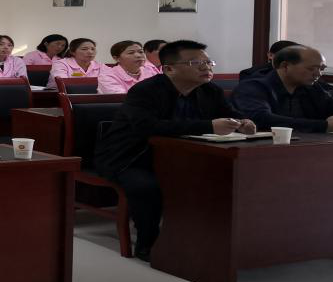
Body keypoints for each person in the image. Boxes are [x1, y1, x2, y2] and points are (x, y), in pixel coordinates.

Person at [94, 40, 254, 261]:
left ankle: (210, 238)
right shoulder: (145, 91)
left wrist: (243, 122)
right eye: (196, 63)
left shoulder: (210, 90)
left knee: (222, 179)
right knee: (147, 186)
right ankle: (148, 243)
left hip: (183, 156)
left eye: (209, 62)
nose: (206, 67)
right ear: (169, 69)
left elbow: (229, 113)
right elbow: (147, 127)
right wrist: (208, 126)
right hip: (131, 156)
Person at [232, 45, 333, 133]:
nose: (318, 74)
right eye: (311, 69)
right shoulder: (253, 87)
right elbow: (263, 119)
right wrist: (325, 126)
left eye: (321, 69)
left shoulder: (311, 88)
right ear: (285, 66)